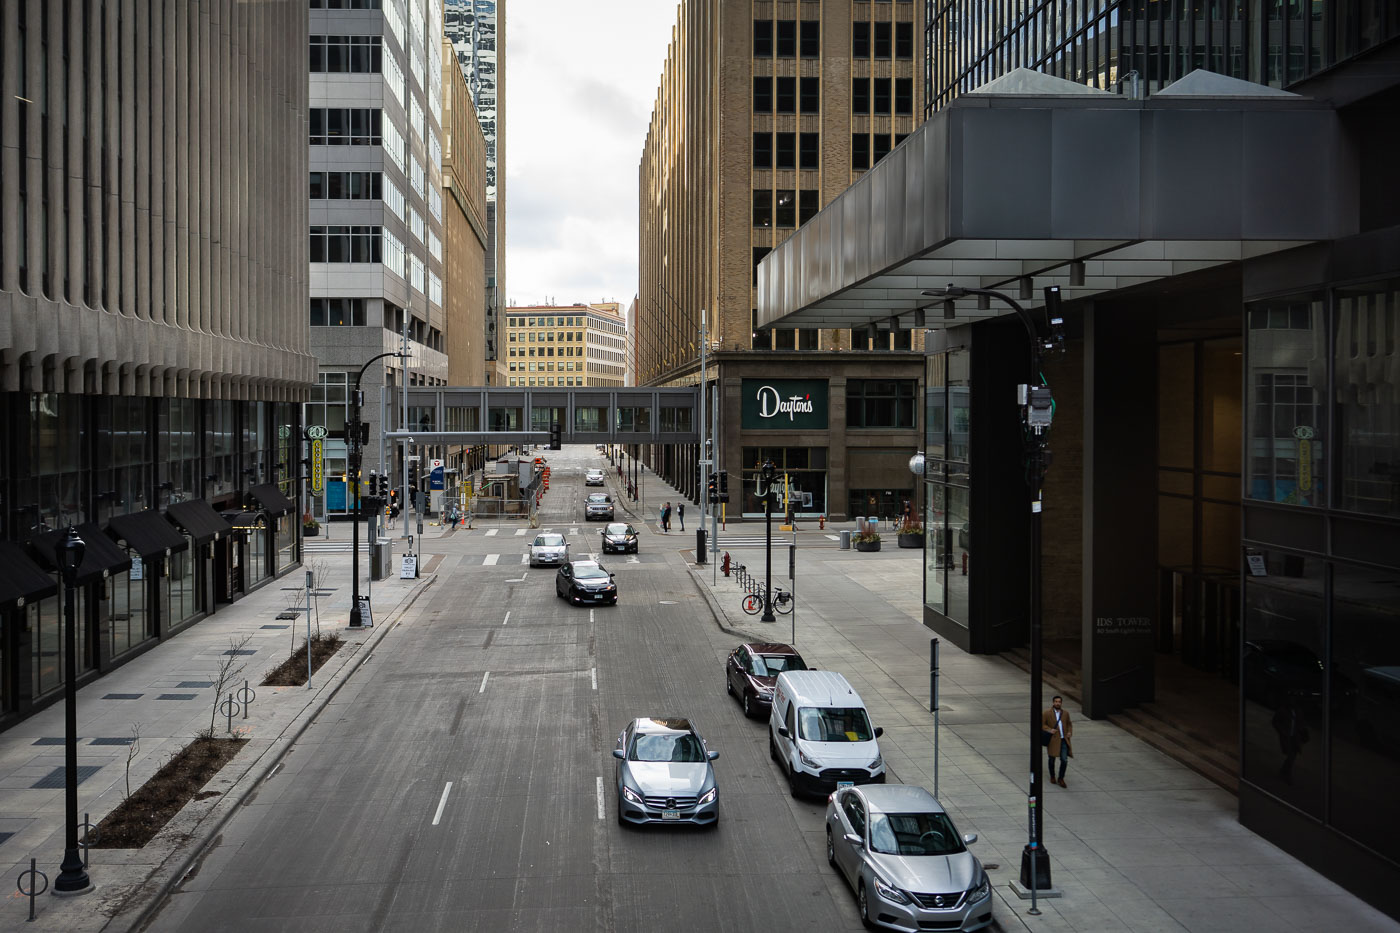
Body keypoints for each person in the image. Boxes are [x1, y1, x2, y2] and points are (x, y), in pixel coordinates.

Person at [1041, 695, 1073, 787]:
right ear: (1053, 702)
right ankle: (1052, 776)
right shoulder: (1047, 713)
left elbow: (1069, 724)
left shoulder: (1065, 713)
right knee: (1052, 759)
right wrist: (1049, 729)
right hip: (1053, 740)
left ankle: (1061, 778)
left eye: (1059, 702)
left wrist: (1069, 732)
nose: (1057, 703)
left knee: (1064, 760)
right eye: (1056, 701)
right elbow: (1042, 724)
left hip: (1063, 740)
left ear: (1061, 703)